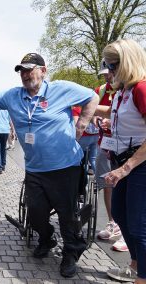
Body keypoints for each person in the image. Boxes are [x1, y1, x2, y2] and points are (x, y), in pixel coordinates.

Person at [0, 52, 99, 278]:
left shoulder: (60, 89)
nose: (25, 75)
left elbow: (92, 97)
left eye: (30, 69)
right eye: (22, 71)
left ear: (43, 71)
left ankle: (71, 253)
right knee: (35, 212)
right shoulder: (14, 96)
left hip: (65, 167)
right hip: (35, 168)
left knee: (67, 214)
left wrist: (82, 123)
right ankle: (47, 238)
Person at [95, 39, 146, 284]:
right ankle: (135, 267)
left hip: (139, 164)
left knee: (138, 224)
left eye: (112, 65)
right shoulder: (124, 90)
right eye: (106, 64)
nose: (109, 70)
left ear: (128, 63)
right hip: (126, 163)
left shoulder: (141, 89)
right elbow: (114, 112)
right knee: (120, 214)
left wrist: (125, 167)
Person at [94, 59, 128, 252]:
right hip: (105, 145)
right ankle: (113, 222)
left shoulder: (130, 88)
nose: (107, 75)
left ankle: (126, 232)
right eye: (105, 72)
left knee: (126, 188)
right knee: (108, 184)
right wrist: (97, 118)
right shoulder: (100, 90)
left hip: (126, 148)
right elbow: (96, 112)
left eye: (110, 71)